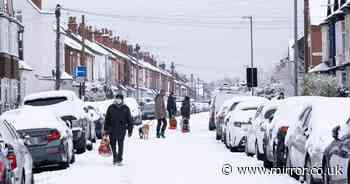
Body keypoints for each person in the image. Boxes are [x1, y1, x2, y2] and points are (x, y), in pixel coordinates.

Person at [104, 94, 133, 165]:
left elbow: (129, 120)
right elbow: (107, 119)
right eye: (117, 98)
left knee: (120, 145)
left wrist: (130, 130)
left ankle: (119, 159)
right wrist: (106, 130)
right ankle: (115, 157)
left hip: (121, 130)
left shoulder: (126, 108)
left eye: (120, 99)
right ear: (115, 99)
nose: (118, 100)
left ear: (122, 100)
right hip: (112, 130)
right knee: (112, 144)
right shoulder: (111, 107)